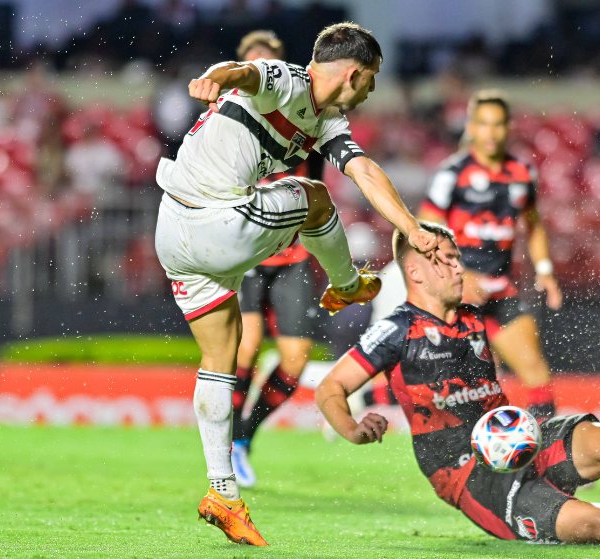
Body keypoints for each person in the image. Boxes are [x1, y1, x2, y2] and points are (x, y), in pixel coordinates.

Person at [154, 22, 440, 546]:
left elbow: (366, 170)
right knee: (314, 196)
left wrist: (409, 226)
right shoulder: (287, 80)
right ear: (353, 72)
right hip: (218, 222)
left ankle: (223, 493)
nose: (371, 92)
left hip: (172, 232)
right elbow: (243, 74)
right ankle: (349, 283)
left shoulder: (328, 119)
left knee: (220, 359)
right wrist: (213, 75)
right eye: (371, 80)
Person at [317, 222, 600, 544]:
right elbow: (330, 388)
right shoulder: (395, 331)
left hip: (519, 437)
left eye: (457, 258)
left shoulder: (476, 315)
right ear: (415, 272)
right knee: (594, 525)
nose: (457, 268)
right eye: (445, 261)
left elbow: (527, 362)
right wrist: (352, 429)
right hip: (466, 474)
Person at [372, 89, 560, 419]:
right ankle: (369, 402)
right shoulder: (453, 174)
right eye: (484, 124)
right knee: (447, 381)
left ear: (507, 127)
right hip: (456, 294)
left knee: (535, 372)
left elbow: (534, 224)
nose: (491, 133)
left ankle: (546, 460)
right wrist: (454, 274)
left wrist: (544, 269)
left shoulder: (522, 173)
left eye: (498, 125)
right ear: (472, 127)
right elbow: (423, 234)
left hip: (500, 290)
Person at [229, 30, 325, 489]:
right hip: (249, 249)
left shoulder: (307, 113)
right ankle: (228, 439)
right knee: (244, 347)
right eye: (254, 63)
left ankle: (244, 435)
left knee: (295, 360)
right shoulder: (229, 116)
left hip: (295, 251)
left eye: (270, 63)